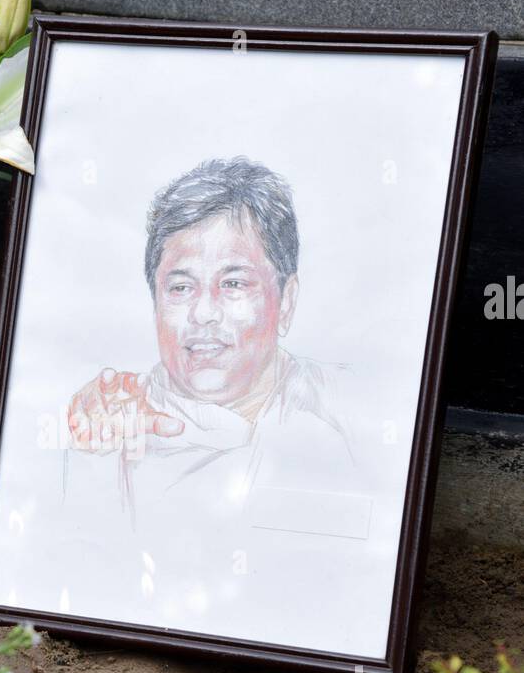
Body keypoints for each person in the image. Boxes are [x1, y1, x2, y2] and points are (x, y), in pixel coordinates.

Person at [65, 157, 358, 528]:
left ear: (286, 301)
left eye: (233, 283)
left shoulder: (350, 409)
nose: (203, 312)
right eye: (181, 287)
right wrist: (93, 455)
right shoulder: (109, 429)